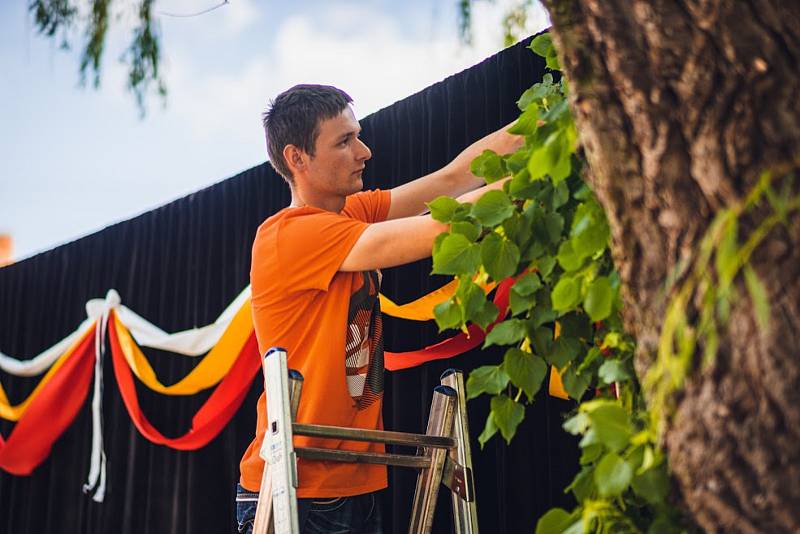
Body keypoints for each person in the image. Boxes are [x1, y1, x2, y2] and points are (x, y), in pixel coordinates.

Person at [236, 84, 521, 534]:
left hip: (350, 477)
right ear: (297, 158)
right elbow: (434, 229)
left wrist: (546, 120)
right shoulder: (288, 234)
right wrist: (531, 184)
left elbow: (452, 180)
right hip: (296, 487)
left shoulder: (351, 214)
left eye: (358, 136)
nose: (364, 151)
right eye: (344, 141)